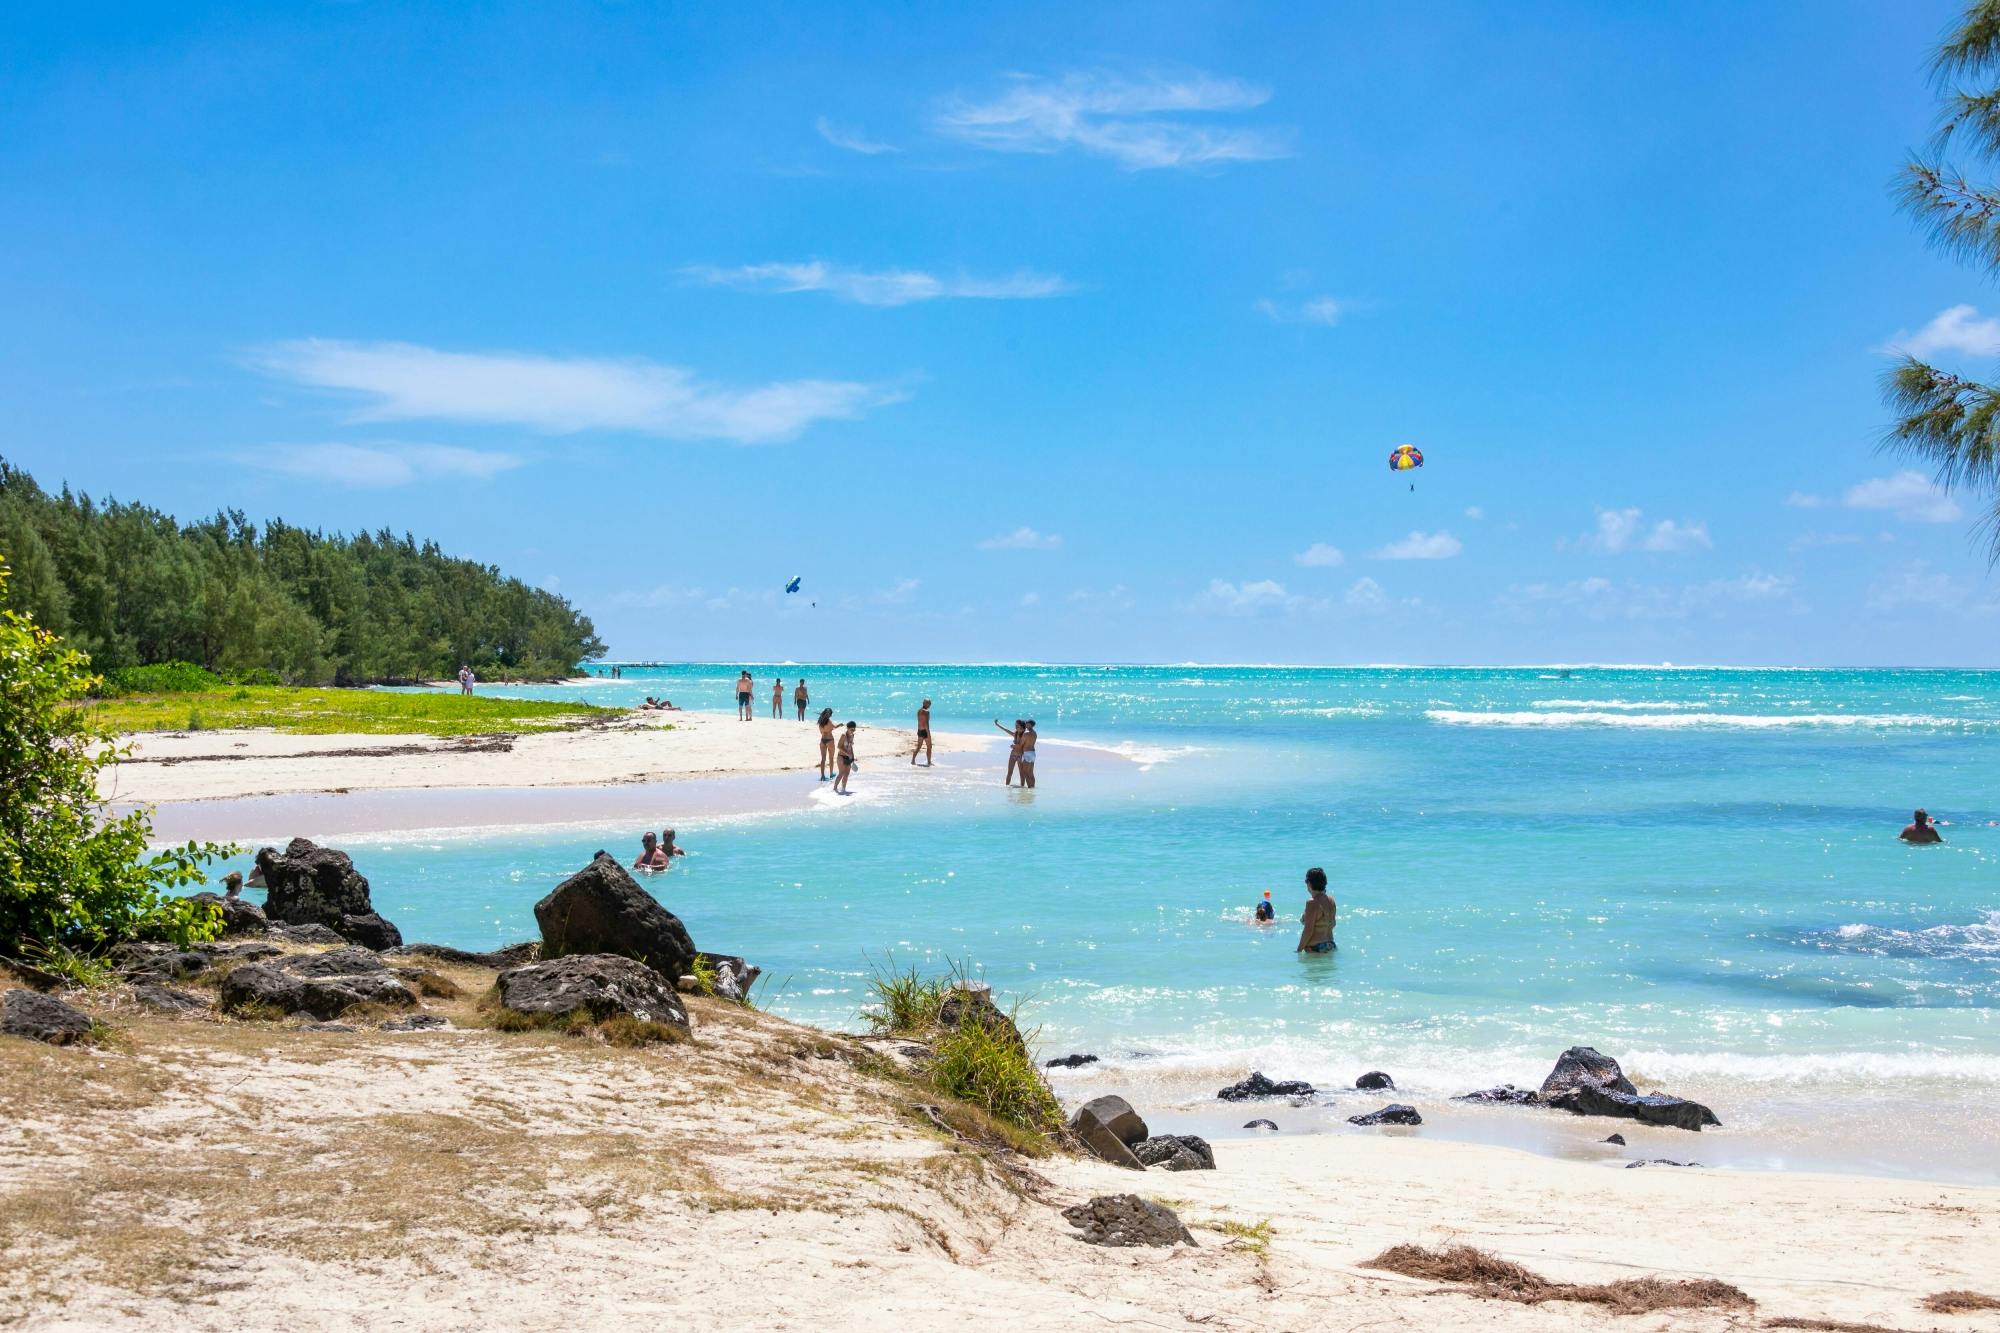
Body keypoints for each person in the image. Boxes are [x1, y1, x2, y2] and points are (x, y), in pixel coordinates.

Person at [1297, 868, 1336, 953]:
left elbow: (1308, 930)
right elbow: (1333, 924)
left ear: (1309, 883)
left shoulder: (1312, 903)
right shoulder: (1331, 900)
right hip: (1331, 945)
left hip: (1316, 948)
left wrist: (1298, 950)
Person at [995, 718, 1025, 785]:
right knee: (1009, 772)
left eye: (1017, 725)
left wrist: (1014, 746)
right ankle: (1007, 787)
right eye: (1015, 725)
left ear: (1022, 726)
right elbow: (1006, 730)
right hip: (1013, 755)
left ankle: (1022, 789)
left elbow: (1021, 746)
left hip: (1020, 755)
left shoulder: (1025, 735)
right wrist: (997, 725)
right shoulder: (1016, 733)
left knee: (1021, 773)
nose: (1016, 726)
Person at [834, 721, 857, 794]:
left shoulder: (852, 735)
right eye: (851, 729)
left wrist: (853, 756)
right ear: (847, 728)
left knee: (846, 774)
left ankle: (843, 789)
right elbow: (838, 746)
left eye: (854, 729)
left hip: (849, 757)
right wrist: (847, 753)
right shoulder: (843, 735)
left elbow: (850, 747)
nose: (853, 731)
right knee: (841, 773)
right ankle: (835, 789)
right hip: (841, 757)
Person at [912, 698, 933, 766]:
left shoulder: (919, 711)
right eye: (928, 703)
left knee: (918, 747)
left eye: (930, 703)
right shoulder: (926, 712)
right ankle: (929, 762)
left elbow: (920, 721)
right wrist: (928, 734)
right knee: (929, 746)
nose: (930, 704)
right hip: (925, 731)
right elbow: (926, 724)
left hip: (919, 730)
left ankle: (913, 761)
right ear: (925, 703)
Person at [817, 707, 836, 780]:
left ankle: (822, 776)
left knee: (823, 759)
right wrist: (839, 725)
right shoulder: (829, 721)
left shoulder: (820, 722)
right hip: (830, 740)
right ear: (830, 714)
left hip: (822, 740)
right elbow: (833, 727)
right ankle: (831, 774)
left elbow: (821, 732)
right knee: (831, 758)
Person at [1018, 719, 1038, 789]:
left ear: (1030, 725)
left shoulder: (1026, 733)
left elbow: (1021, 744)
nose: (1025, 725)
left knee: (1025, 772)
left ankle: (1029, 788)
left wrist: (1014, 745)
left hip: (1027, 753)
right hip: (1033, 753)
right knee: (1031, 772)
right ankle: (1033, 787)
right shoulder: (1035, 733)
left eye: (1027, 723)